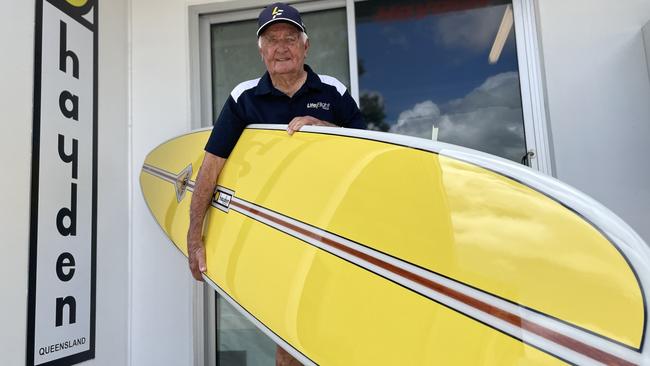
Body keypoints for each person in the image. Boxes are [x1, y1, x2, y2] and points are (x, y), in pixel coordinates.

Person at [186, 3, 365, 364]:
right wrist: (195, 235)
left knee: (338, 326)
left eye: (289, 38)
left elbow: (371, 152)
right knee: (289, 335)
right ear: (261, 50)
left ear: (305, 46)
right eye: (271, 40)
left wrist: (327, 129)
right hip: (271, 231)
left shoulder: (332, 92)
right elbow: (211, 168)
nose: (280, 47)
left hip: (330, 228)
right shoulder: (244, 98)